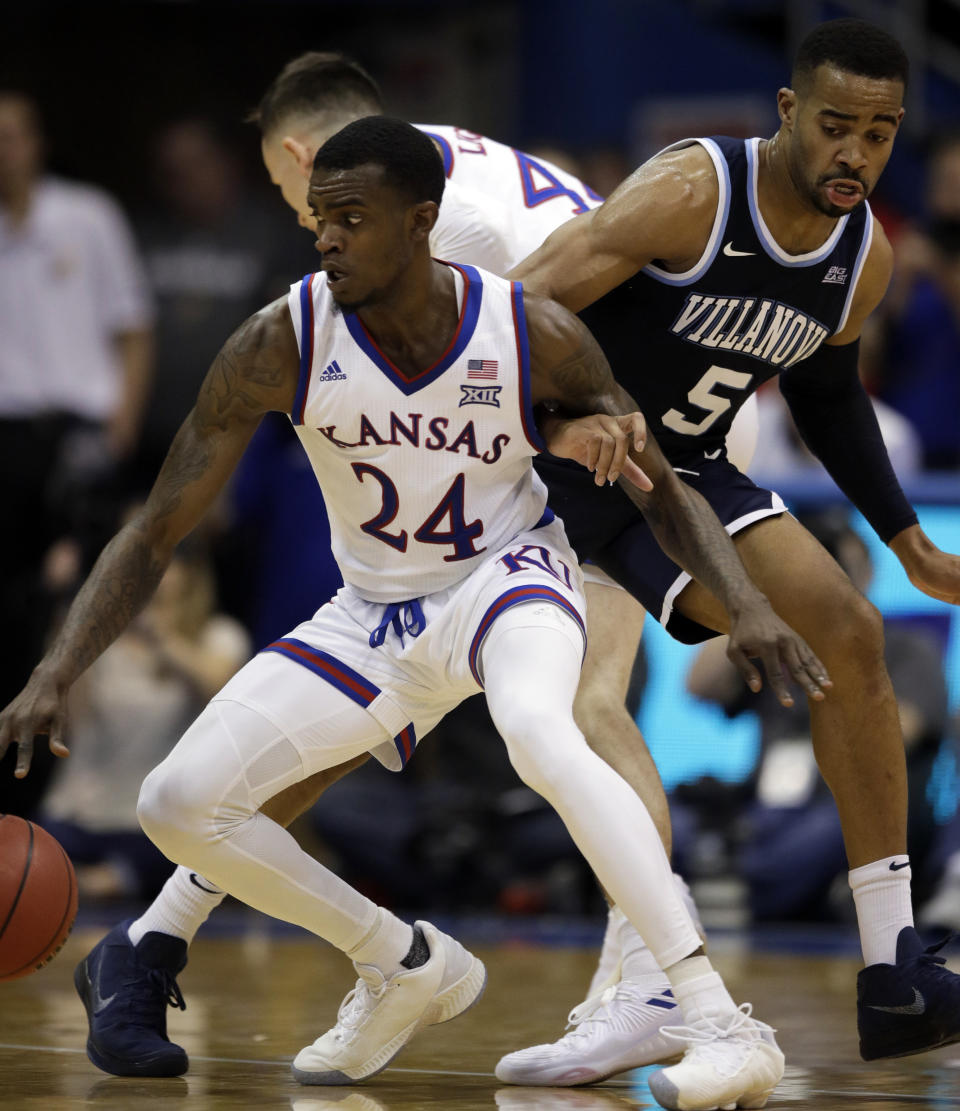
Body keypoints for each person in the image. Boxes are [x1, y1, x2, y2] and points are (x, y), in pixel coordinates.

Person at [0, 118, 828, 1108]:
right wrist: (57, 666)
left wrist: (744, 604)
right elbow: (153, 536)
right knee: (174, 802)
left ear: (423, 221)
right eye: (320, 223)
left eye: (352, 219)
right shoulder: (281, 338)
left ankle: (719, 1018)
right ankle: (399, 959)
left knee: (538, 729)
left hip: (506, 577)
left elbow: (658, 487)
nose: (329, 241)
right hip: (374, 611)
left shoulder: (527, 326)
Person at [497, 17, 960, 1080]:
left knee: (849, 628)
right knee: (499, 711)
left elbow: (831, 395)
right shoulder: (694, 192)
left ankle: (894, 968)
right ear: (790, 111)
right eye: (837, 125)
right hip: (558, 461)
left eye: (881, 134)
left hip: (680, 475)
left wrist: (909, 541)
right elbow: (514, 308)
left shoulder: (864, 256)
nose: (856, 152)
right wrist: (554, 423)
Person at [0, 91, 154, 817]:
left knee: (74, 610)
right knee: (9, 612)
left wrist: (121, 423)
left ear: (36, 141)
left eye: (13, 136)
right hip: (6, 442)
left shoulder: (86, 216)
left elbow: (133, 325)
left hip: (81, 437)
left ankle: (69, 796)